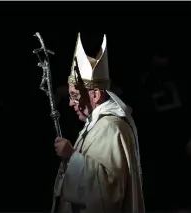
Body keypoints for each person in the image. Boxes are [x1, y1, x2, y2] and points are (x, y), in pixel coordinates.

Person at [51, 33, 145, 213]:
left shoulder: (110, 127)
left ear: (95, 95)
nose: (70, 103)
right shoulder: (95, 123)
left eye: (75, 96)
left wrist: (72, 157)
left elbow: (111, 191)